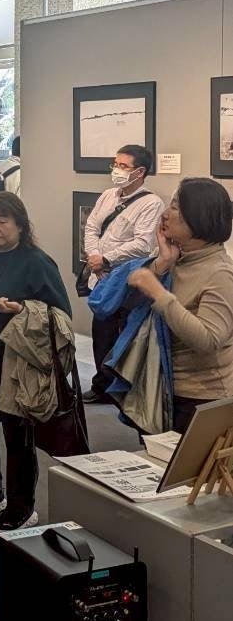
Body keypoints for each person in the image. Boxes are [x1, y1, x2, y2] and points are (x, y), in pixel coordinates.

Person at [0, 193, 71, 533]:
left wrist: (23, 310)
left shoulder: (38, 263)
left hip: (17, 367)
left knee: (18, 438)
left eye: (2, 221)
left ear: (20, 224)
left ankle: (22, 507)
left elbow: (61, 318)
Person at [126, 178, 233, 434]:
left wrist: (158, 292)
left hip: (201, 397)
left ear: (196, 219)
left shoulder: (220, 273)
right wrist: (161, 265)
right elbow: (123, 308)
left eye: (175, 207)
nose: (165, 214)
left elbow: (208, 339)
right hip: (162, 387)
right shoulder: (177, 259)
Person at [82, 144, 163, 403]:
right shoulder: (108, 195)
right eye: (115, 164)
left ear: (140, 172)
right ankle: (102, 384)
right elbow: (92, 227)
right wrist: (95, 256)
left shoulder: (151, 203)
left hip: (125, 281)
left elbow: (143, 243)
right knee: (101, 333)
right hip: (100, 278)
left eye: (123, 166)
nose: (116, 170)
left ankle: (121, 388)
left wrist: (107, 258)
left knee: (124, 335)